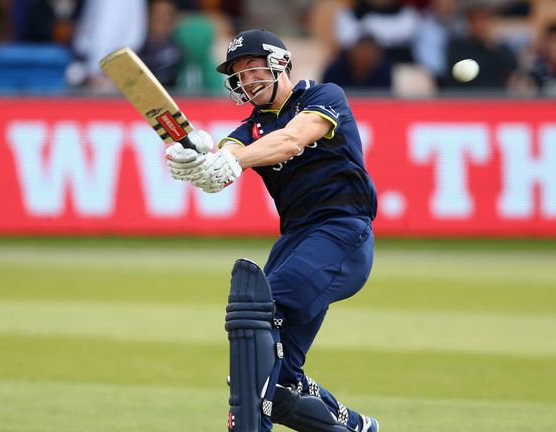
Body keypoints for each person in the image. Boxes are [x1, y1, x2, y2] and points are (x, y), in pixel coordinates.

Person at [164, 29, 379, 432]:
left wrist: (236, 161)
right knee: (277, 385)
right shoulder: (248, 129)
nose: (246, 81)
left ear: (280, 62)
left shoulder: (323, 96)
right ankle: (353, 426)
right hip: (296, 240)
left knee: (257, 317)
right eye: (239, 75)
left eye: (252, 68)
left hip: (342, 232)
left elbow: (291, 140)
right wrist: (197, 162)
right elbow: (223, 163)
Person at [323, 35, 393, 89]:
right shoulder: (334, 71)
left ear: (377, 58)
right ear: (351, 54)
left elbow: (383, 97)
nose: (363, 58)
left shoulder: (383, 72)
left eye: (368, 55)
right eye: (361, 53)